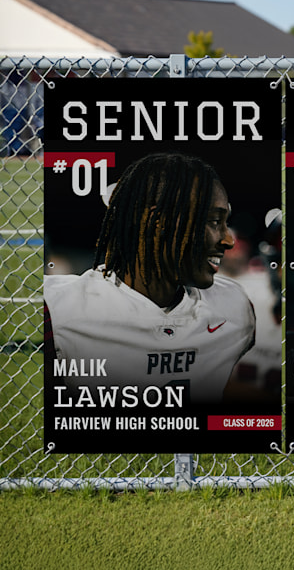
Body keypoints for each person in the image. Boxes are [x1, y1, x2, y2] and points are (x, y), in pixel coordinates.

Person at [44, 152, 255, 404]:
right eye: (213, 221)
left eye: (225, 222)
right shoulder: (58, 308)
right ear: (158, 220)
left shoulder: (236, 307)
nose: (228, 239)